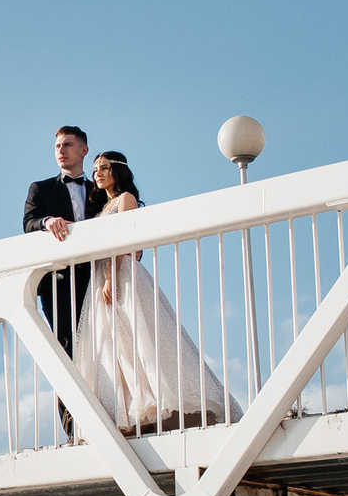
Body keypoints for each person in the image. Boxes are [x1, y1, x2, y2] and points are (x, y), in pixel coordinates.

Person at [80, 151, 237, 432]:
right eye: (95, 170)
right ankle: (124, 411)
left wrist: (109, 277)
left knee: (138, 337)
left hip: (120, 275)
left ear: (117, 171)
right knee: (114, 344)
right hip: (102, 276)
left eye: (104, 168)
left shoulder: (125, 199)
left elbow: (123, 241)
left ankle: (152, 404)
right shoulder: (103, 208)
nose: (98, 174)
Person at [22, 125, 105, 357]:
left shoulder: (98, 191)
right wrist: (47, 222)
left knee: (101, 348)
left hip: (95, 279)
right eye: (58, 146)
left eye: (68, 145)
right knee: (65, 350)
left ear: (84, 150)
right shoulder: (41, 188)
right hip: (57, 283)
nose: (61, 150)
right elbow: (29, 222)